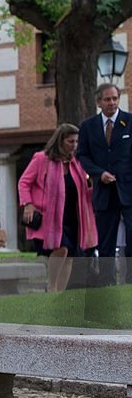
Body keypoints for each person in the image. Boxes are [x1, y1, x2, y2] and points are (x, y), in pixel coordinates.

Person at [18, 123, 98, 293]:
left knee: (70, 256)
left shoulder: (76, 163)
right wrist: (28, 204)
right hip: (49, 218)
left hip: (72, 217)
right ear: (60, 141)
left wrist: (93, 187)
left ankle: (58, 295)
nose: (74, 145)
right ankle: (51, 286)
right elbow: (24, 182)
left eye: (77, 142)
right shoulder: (42, 159)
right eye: (71, 141)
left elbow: (83, 191)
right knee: (61, 249)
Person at [76, 83, 132, 283]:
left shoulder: (129, 122)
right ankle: (108, 280)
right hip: (104, 192)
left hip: (128, 191)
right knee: (106, 241)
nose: (112, 103)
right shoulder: (88, 127)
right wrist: (99, 174)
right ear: (99, 102)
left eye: (115, 98)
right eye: (107, 99)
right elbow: (82, 155)